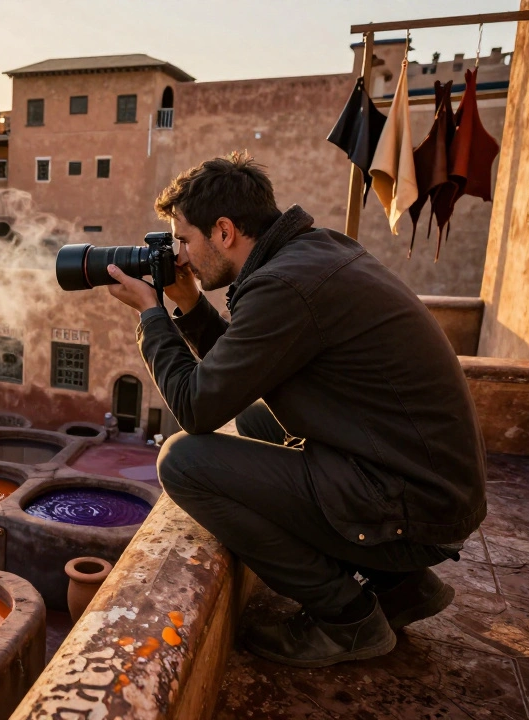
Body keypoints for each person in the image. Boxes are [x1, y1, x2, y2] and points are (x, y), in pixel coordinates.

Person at [105, 152, 486, 668]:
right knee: (262, 419)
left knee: (183, 461)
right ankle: (402, 588)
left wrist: (153, 316)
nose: (181, 256)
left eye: (184, 239)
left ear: (223, 231)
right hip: (428, 487)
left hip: (409, 506)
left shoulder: (285, 286)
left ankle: (347, 619)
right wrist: (192, 306)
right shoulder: (310, 254)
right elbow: (234, 372)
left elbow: (197, 407)